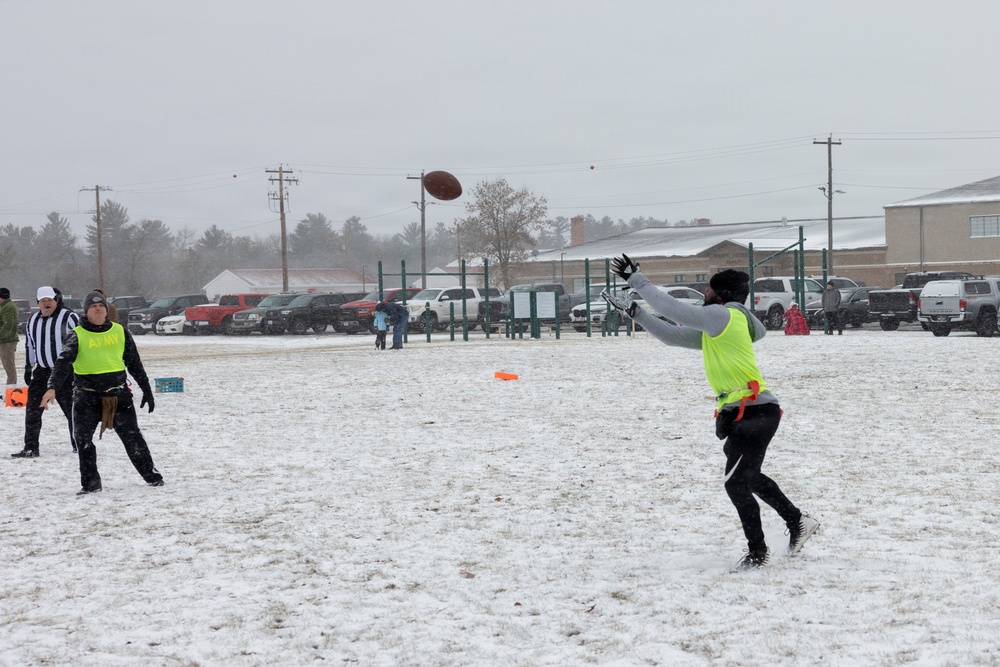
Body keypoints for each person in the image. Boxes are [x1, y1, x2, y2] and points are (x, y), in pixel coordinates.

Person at [602, 255, 819, 570]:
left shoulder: (723, 315)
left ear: (722, 295)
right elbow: (671, 336)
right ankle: (798, 521)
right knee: (748, 477)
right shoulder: (723, 325)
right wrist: (635, 312)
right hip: (745, 411)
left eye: (708, 290)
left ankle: (758, 554)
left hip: (754, 411)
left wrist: (637, 280)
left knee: (736, 483)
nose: (703, 294)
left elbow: (673, 309)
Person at [41, 291, 163, 495]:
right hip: (86, 396)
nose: (98, 308)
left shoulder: (120, 331)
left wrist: (146, 389)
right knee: (83, 440)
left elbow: (134, 363)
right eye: (93, 306)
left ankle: (152, 476)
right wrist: (52, 387)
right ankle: (91, 484)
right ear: (86, 311)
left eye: (101, 306)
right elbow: (63, 363)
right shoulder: (77, 334)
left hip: (118, 395)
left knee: (133, 437)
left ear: (106, 310)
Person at [11, 287, 80, 458]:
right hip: (42, 372)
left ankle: (79, 444)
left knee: (72, 410)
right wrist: (28, 367)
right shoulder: (33, 320)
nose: (47, 303)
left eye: (50, 299)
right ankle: (31, 447)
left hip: (66, 372)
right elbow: (30, 345)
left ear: (56, 300)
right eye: (43, 300)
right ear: (38, 303)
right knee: (33, 408)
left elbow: (82, 343)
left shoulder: (69, 317)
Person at [0, 287, 19, 385]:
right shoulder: (5, 306)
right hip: (5, 341)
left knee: (9, 367)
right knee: (8, 366)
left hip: (8, 342)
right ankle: (10, 388)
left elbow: (8, 324)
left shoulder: (8, 307)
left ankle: (11, 389)